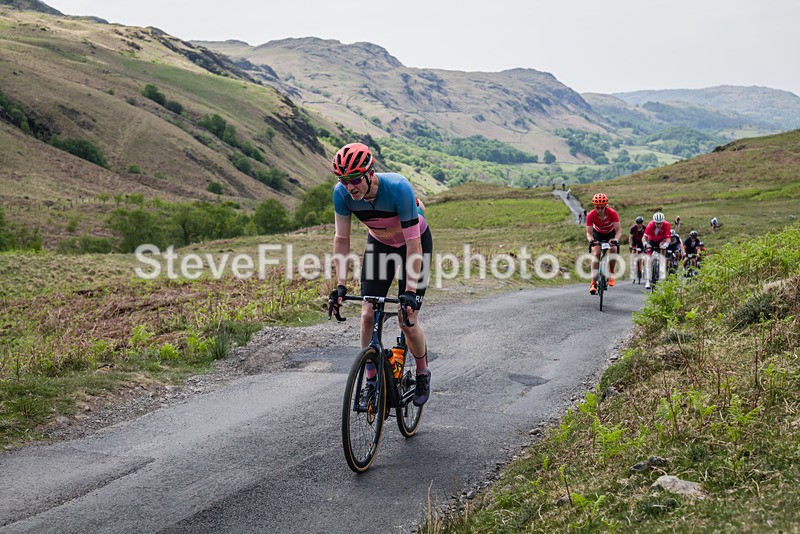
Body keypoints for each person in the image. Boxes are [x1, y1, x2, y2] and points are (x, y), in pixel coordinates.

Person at [328, 142, 433, 406]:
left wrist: (409, 292)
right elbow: (342, 238)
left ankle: (422, 372)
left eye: (354, 179)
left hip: (414, 243)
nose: (349, 186)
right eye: (343, 180)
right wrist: (340, 285)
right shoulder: (341, 194)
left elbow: (413, 245)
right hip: (380, 245)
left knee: (407, 320)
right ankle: (372, 381)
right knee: (366, 315)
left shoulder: (398, 188)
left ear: (370, 174)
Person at [584, 193, 622, 294]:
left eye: (602, 207)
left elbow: (618, 231)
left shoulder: (612, 213)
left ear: (605, 206)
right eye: (597, 208)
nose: (600, 210)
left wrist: (616, 239)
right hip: (598, 233)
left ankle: (611, 272)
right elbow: (589, 232)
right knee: (596, 253)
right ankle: (593, 282)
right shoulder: (591, 215)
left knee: (613, 249)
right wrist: (591, 240)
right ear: (594, 206)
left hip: (610, 233)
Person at [642, 212, 671, 290]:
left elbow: (668, 238)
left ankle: (662, 267)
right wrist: (645, 244)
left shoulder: (667, 225)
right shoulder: (650, 225)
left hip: (661, 240)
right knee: (648, 259)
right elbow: (644, 238)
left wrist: (666, 245)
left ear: (663, 221)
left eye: (660, 223)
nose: (658, 225)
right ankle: (648, 280)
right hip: (651, 240)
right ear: (654, 222)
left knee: (663, 247)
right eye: (657, 223)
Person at [628, 216, 646, 281]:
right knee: (633, 253)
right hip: (635, 241)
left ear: (642, 222)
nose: (639, 224)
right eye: (638, 223)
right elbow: (630, 237)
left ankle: (641, 269)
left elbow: (647, 236)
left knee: (641, 257)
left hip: (642, 242)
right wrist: (630, 245)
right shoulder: (633, 228)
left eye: (640, 222)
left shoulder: (645, 228)